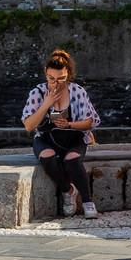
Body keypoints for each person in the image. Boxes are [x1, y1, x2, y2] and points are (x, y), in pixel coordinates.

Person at [22, 49, 99, 217]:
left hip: (73, 137)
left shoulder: (77, 92)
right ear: (46, 74)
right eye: (51, 79)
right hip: (47, 139)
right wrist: (46, 105)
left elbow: (90, 122)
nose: (55, 83)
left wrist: (69, 124)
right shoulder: (38, 92)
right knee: (47, 156)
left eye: (61, 79)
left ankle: (87, 201)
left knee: (72, 159)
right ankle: (68, 190)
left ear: (68, 75)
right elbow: (28, 125)